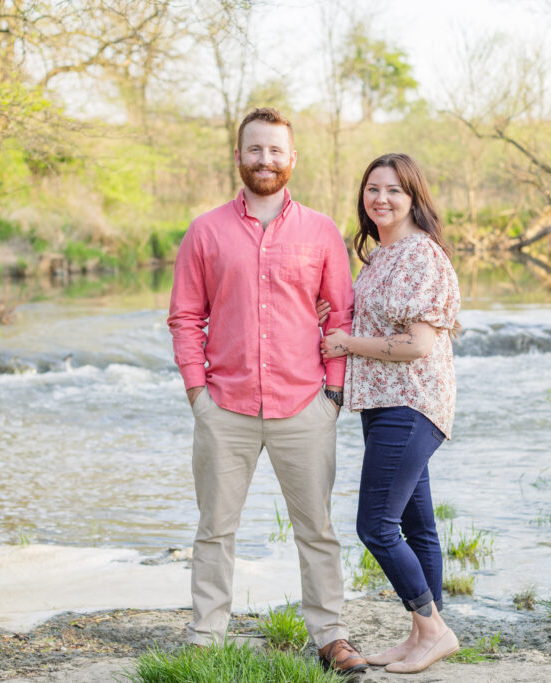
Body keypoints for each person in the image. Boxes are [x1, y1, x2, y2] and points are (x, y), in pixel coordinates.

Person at [167, 108, 366, 675]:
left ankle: (330, 635)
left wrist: (333, 395)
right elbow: (185, 317)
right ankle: (206, 636)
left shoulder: (322, 232)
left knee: (318, 531)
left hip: (304, 405)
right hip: (223, 407)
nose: (265, 160)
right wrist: (196, 394)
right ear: (238, 157)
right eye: (255, 150)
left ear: (292, 159)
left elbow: (341, 318)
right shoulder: (205, 231)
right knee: (214, 530)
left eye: (276, 151)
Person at [320, 152, 461, 674]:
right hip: (384, 404)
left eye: (393, 190)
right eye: (372, 189)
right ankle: (423, 634)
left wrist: (345, 343)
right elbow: (374, 323)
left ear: (413, 198)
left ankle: (433, 631)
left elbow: (416, 345)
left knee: (376, 525)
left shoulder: (420, 255)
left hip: (412, 402)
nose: (380, 198)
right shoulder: (381, 257)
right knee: (416, 523)